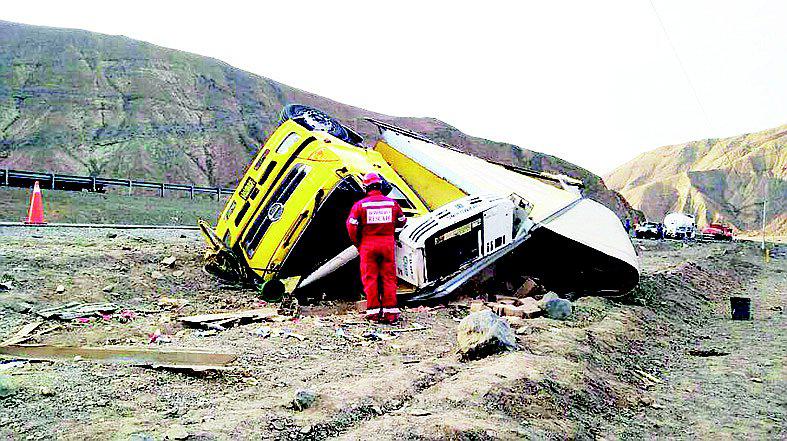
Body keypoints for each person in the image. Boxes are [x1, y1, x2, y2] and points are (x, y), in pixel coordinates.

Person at [346, 172, 407, 323]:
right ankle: (390, 313)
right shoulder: (392, 204)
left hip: (368, 245)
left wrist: (358, 243)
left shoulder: (360, 205)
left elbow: (351, 226)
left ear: (366, 187)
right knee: (389, 277)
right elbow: (402, 220)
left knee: (370, 278)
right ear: (380, 186)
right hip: (387, 244)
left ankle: (373, 313)